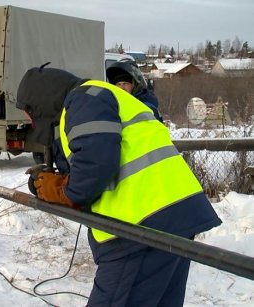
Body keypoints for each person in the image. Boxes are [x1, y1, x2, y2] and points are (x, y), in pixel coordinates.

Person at [17, 64, 222, 306]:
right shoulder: (103, 97)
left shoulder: (84, 97)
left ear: (40, 100)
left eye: (29, 112)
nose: (30, 120)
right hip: (173, 214)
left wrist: (65, 192)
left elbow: (97, 161)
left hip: (139, 225)